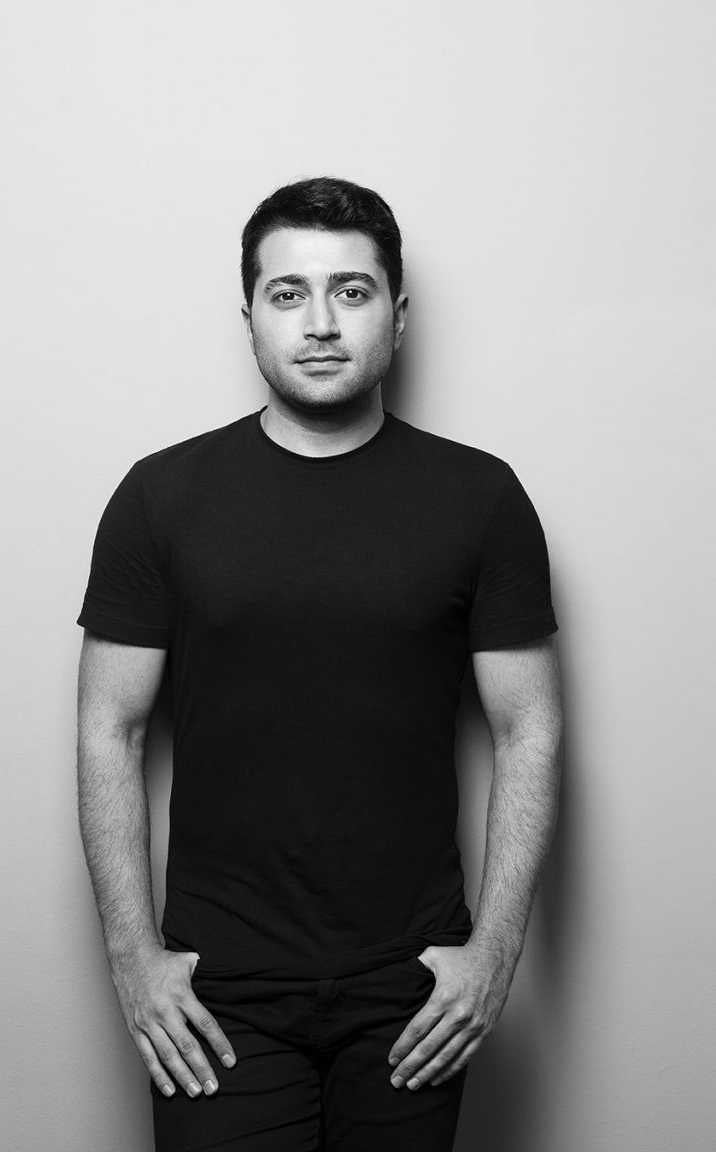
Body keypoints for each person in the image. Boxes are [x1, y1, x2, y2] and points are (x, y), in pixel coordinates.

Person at [76, 176, 563, 1152]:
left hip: (412, 986)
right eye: (289, 293)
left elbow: (530, 729)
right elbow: (108, 731)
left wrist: (494, 953)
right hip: (216, 990)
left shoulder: (482, 499)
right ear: (250, 318)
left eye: (352, 290)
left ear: (398, 315)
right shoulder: (159, 498)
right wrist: (134, 960)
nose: (322, 323)